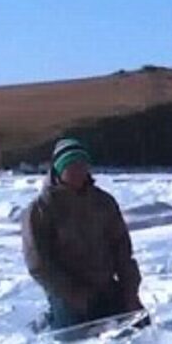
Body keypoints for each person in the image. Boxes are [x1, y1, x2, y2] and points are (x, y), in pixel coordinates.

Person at [22, 138, 145, 331]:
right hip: (67, 291)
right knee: (75, 338)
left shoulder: (104, 202)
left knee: (139, 326)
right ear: (58, 170)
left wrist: (130, 292)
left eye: (82, 165)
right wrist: (72, 294)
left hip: (104, 285)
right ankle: (49, 320)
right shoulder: (40, 209)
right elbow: (39, 263)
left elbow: (123, 252)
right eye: (71, 166)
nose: (78, 171)